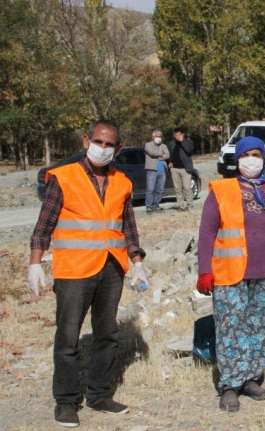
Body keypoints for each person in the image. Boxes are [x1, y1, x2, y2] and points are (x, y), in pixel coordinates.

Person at [28, 120, 149, 428]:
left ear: (118, 148)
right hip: (74, 269)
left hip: (111, 267)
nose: (103, 148)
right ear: (86, 141)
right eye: (99, 142)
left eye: (110, 145)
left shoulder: (122, 181)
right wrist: (35, 263)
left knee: (107, 333)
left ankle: (99, 395)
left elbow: (128, 226)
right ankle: (66, 402)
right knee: (68, 337)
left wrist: (137, 261)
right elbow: (45, 224)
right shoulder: (63, 177)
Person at [195, 136, 265, 413]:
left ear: (264, 157)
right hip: (230, 272)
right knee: (230, 328)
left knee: (259, 327)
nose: (251, 160)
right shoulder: (221, 190)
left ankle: (251, 378)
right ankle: (230, 385)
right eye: (246, 154)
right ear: (237, 159)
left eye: (256, 154)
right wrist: (204, 270)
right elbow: (206, 233)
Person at [144, 129, 170, 212]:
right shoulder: (147, 145)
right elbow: (152, 153)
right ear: (153, 137)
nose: (159, 138)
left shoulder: (164, 145)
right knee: (150, 189)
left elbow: (167, 155)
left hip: (162, 170)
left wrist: (160, 155)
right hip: (152, 170)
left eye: (160, 136)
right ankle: (149, 206)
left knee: (160, 189)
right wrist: (161, 154)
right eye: (157, 136)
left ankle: (156, 205)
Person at [169, 127, 194, 211]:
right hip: (174, 169)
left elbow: (189, 150)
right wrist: (169, 162)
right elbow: (169, 154)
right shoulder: (172, 143)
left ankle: (190, 205)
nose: (176, 136)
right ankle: (181, 206)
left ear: (182, 134)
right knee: (177, 189)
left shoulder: (188, 142)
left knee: (187, 188)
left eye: (178, 134)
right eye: (175, 135)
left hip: (185, 169)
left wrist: (182, 141)